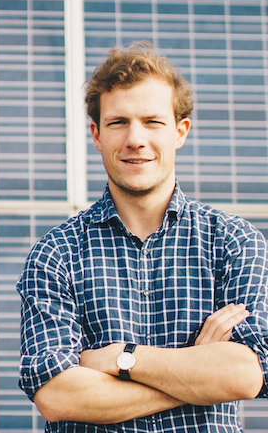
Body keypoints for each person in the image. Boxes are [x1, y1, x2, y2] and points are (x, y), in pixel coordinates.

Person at [17, 40, 268, 432]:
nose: (135, 139)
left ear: (180, 131)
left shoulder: (233, 242)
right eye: (119, 122)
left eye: (153, 121)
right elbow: (57, 396)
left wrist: (121, 358)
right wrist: (197, 371)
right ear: (97, 135)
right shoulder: (56, 253)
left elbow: (246, 374)